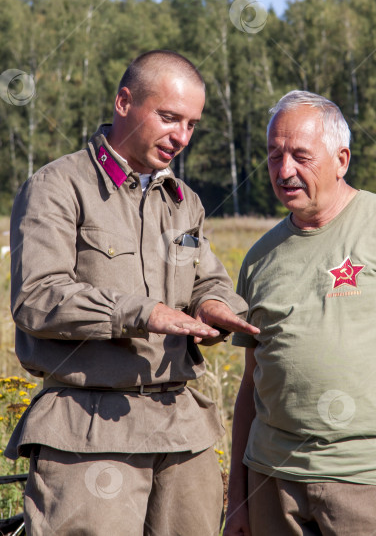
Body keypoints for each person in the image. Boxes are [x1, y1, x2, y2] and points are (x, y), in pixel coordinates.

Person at [7, 49, 259, 536]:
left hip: (181, 429)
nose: (181, 136)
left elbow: (208, 278)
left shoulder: (184, 202)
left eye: (191, 124)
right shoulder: (57, 187)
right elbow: (37, 298)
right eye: (169, 117)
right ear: (125, 102)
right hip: (88, 429)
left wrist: (215, 306)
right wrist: (143, 313)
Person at [225, 90, 376, 536]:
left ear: (342, 159)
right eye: (275, 156)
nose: (285, 170)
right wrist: (237, 498)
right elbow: (249, 384)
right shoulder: (258, 257)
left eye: (300, 155)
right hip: (273, 483)